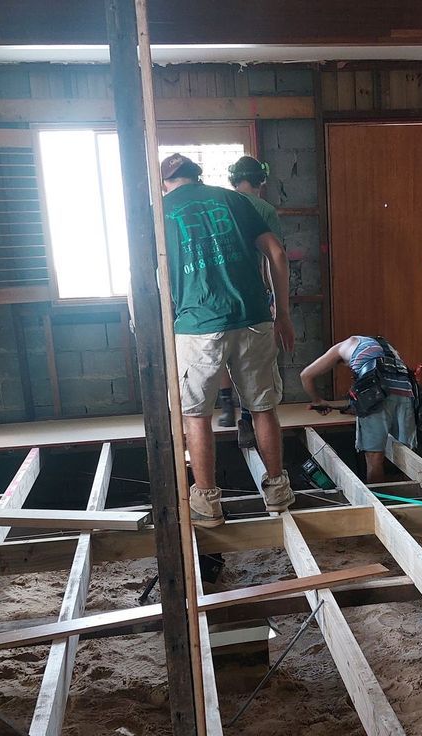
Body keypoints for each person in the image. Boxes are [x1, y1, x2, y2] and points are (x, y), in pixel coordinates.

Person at [160, 153, 295, 527]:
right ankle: (277, 491)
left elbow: (150, 275)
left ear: (165, 183)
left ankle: (207, 502)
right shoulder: (234, 199)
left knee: (196, 415)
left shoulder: (160, 211)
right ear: (197, 175)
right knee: (262, 406)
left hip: (198, 322)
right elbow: (278, 253)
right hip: (252, 317)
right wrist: (282, 314)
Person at [216, 155, 286, 449]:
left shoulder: (218, 206)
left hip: (215, 300)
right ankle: (247, 418)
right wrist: (278, 303)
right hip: (252, 299)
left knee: (222, 354)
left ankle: (224, 407)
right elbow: (273, 257)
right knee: (253, 365)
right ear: (261, 180)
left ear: (233, 179)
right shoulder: (264, 209)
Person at [300, 335, 419, 482]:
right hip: (407, 391)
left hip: (379, 394)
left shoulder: (342, 346)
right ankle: (408, 498)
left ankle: (378, 501)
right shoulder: (384, 348)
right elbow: (375, 396)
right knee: (406, 457)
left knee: (374, 457)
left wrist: (317, 400)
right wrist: (332, 404)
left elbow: (305, 376)